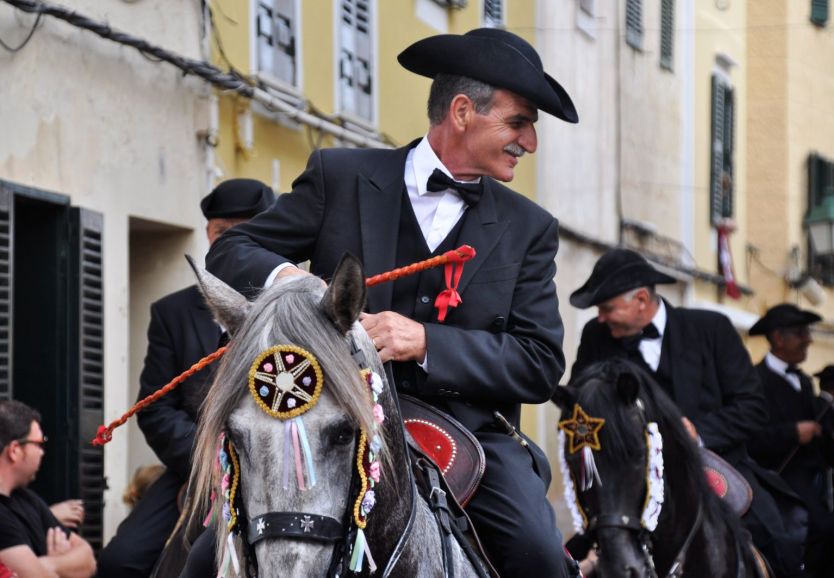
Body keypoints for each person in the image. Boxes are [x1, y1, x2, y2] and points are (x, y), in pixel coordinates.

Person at [206, 27, 579, 578]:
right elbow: (232, 250)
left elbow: (539, 363)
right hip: (329, 418)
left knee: (540, 556)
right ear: (462, 112)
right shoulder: (339, 176)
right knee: (202, 557)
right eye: (519, 122)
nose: (530, 141)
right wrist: (302, 286)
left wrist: (426, 342)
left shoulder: (530, 227)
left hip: (468, 434)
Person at [569, 248, 807, 578]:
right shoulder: (596, 337)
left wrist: (697, 432)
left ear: (641, 300)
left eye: (607, 308)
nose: (601, 318)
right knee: (565, 559)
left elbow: (752, 407)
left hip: (713, 467)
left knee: (779, 544)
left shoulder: (712, 329)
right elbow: (581, 408)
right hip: (630, 485)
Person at [97, 179, 276, 578]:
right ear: (208, 235)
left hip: (279, 466)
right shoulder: (172, 313)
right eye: (221, 232)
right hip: (197, 468)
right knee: (119, 561)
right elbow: (156, 409)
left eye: (244, 231)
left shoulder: (291, 305)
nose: (230, 242)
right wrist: (210, 459)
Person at [749, 305, 834, 576]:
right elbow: (751, 437)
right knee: (824, 530)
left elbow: (818, 434)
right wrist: (793, 432)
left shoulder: (805, 382)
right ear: (778, 338)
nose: (808, 339)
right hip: (778, 479)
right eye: (801, 333)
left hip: (815, 478)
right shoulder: (755, 380)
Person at [0, 400, 96, 578]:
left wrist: (49, 564)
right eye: (39, 444)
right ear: (14, 450)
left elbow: (88, 559)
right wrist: (64, 567)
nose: (42, 452)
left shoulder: (27, 499)